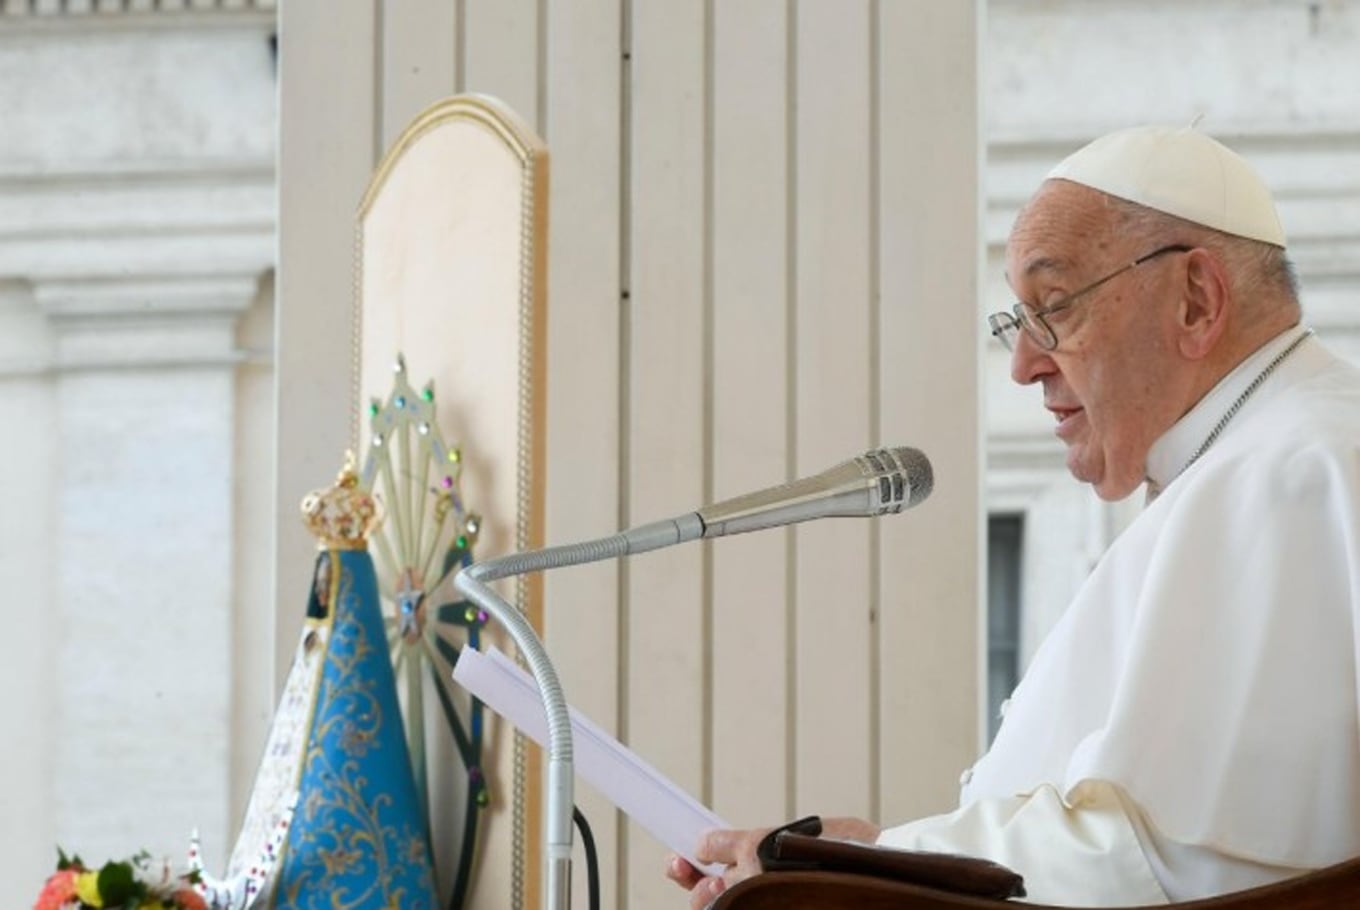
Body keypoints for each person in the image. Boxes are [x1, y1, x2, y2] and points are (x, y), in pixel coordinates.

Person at [666, 124, 1360, 907]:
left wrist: (875, 869)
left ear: (1195, 300)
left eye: (1053, 308)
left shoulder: (1293, 471)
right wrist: (879, 859)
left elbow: (1158, 862)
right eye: (1016, 322)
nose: (1026, 365)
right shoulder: (1253, 458)